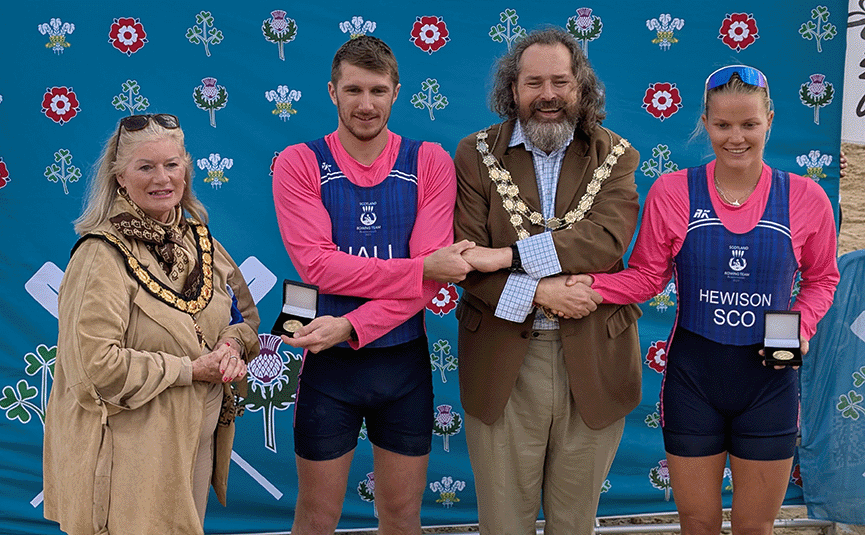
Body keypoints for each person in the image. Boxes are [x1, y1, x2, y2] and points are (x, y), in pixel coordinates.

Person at [584, 65, 840, 535]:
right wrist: (588, 288)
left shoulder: (805, 197)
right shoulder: (673, 191)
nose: (736, 137)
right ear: (704, 122)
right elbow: (646, 277)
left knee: (753, 526)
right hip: (693, 381)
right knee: (697, 524)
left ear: (770, 120)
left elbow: (822, 278)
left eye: (749, 124)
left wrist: (799, 327)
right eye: (722, 125)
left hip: (770, 384)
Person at [272, 36, 472, 534]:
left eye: (378, 90)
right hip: (329, 370)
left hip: (402, 365)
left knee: (402, 516)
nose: (366, 104)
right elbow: (319, 267)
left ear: (396, 92)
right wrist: (419, 269)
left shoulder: (430, 161)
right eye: (353, 89)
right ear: (332, 92)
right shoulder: (299, 162)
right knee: (317, 516)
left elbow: (431, 281)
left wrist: (350, 324)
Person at [452, 27, 643, 534]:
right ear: (512, 89)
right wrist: (540, 291)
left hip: (595, 361)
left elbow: (605, 242)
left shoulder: (617, 155)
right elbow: (467, 260)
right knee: (503, 524)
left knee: (575, 524)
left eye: (560, 81)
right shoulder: (473, 154)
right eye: (534, 82)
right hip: (502, 364)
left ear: (581, 86)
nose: (549, 95)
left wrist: (511, 255)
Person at [43, 114, 261, 535]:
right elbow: (95, 369)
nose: (162, 178)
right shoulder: (99, 256)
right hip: (129, 454)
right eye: (146, 167)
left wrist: (231, 348)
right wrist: (191, 370)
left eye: (172, 165)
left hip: (194, 441)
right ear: (120, 178)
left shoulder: (200, 239)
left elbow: (243, 318)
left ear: (187, 169)